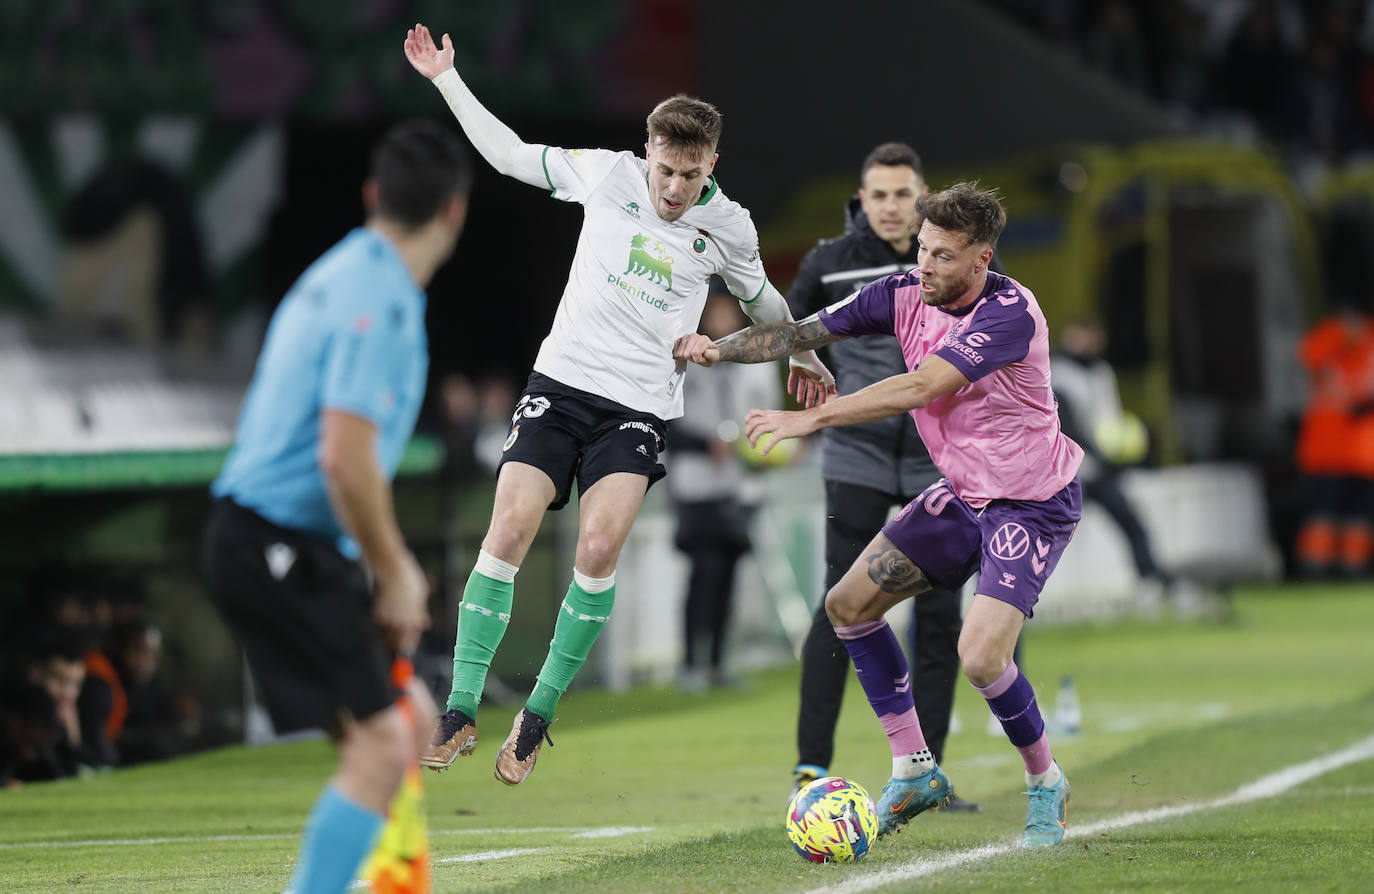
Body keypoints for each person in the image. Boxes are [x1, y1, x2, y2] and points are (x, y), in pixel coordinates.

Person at [402, 23, 835, 785]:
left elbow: (762, 296)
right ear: (647, 153)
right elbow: (508, 154)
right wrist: (446, 80)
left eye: (691, 175)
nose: (675, 190)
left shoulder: (727, 224)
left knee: (597, 550)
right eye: (666, 171)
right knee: (507, 527)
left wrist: (801, 349)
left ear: (712, 164)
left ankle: (536, 717)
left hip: (635, 409)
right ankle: (462, 709)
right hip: (560, 384)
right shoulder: (603, 176)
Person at [674, 182, 1083, 846]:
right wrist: (719, 349)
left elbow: (921, 386)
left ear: (982, 260)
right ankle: (914, 768)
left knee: (979, 656)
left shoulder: (1010, 313)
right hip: (962, 495)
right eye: (922, 249)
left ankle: (1045, 781)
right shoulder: (899, 292)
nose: (925, 265)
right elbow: (803, 330)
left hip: (1029, 504)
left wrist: (810, 419)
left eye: (944, 256)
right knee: (847, 607)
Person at [201, 119, 470, 894]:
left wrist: (375, 565)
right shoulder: (380, 297)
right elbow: (343, 457)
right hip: (272, 543)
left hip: (282, 542)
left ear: (372, 196)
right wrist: (393, 571)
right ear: (455, 210)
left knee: (411, 720)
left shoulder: (341, 271)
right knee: (386, 744)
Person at [784, 142, 977, 811]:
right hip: (857, 455)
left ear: (922, 198)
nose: (892, 208)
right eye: (879, 195)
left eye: (903, 195)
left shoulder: (956, 257)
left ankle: (926, 777)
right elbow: (778, 321)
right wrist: (805, 361)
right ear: (861, 200)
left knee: (940, 613)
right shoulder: (829, 263)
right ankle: (810, 769)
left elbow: (1000, 323)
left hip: (938, 459)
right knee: (840, 604)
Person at [668, 281, 783, 692]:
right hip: (695, 486)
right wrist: (705, 445)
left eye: (727, 312)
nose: (722, 319)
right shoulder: (681, 359)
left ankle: (717, 662)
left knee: (729, 573)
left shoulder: (752, 363)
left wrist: (774, 447)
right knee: (703, 572)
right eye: (713, 312)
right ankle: (689, 663)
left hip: (738, 486)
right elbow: (665, 425)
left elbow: (765, 415)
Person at [1051, 317, 1193, 612]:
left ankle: (1151, 582)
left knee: (1131, 522)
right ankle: (1013, 591)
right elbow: (1064, 423)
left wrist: (1118, 451)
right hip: (1066, 469)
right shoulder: (1059, 374)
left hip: (1099, 467)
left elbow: (1108, 419)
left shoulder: (1102, 372)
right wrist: (1094, 453)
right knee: (1047, 529)